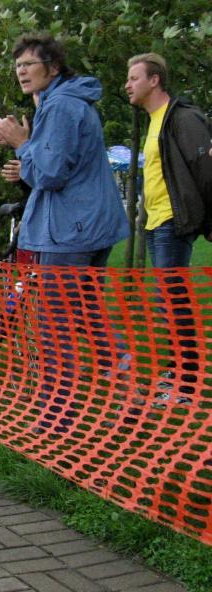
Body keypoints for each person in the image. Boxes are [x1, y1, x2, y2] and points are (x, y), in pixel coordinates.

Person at [0, 34, 130, 434]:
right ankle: (130, 389)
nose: (21, 71)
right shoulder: (64, 102)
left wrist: (21, 144)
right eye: (17, 65)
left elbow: (51, 174)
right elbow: (54, 167)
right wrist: (27, 155)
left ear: (52, 67)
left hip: (70, 232)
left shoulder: (62, 106)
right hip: (86, 225)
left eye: (29, 64)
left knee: (55, 326)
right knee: (87, 314)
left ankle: (56, 417)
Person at [125, 52, 212, 405]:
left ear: (154, 80)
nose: (127, 85)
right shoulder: (154, 120)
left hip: (172, 223)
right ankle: (179, 374)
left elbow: (205, 169)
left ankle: (186, 385)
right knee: (169, 304)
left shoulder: (182, 118)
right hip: (155, 223)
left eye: (134, 78)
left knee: (174, 305)